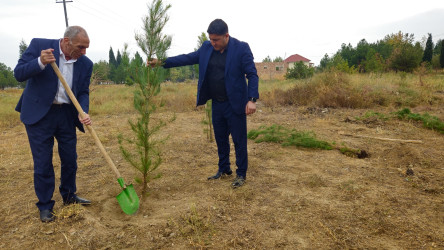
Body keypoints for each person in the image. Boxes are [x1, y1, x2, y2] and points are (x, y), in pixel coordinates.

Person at [154, 19, 259, 188]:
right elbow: (187, 58)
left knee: (239, 140)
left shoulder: (241, 48)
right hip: (217, 103)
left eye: (216, 39)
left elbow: (252, 75)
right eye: (211, 39)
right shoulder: (206, 47)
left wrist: (252, 99)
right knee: (220, 139)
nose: (213, 43)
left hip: (236, 104)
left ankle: (241, 174)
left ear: (226, 35)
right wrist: (162, 62)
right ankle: (224, 169)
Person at [14, 26, 93, 222]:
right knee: (43, 162)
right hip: (40, 114)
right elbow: (19, 73)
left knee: (70, 159)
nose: (84, 52)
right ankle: (45, 205)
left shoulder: (86, 63)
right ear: (66, 42)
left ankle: (69, 195)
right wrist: (39, 62)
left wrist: (83, 111)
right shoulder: (40, 46)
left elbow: (83, 91)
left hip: (66, 114)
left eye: (86, 48)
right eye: (80, 47)